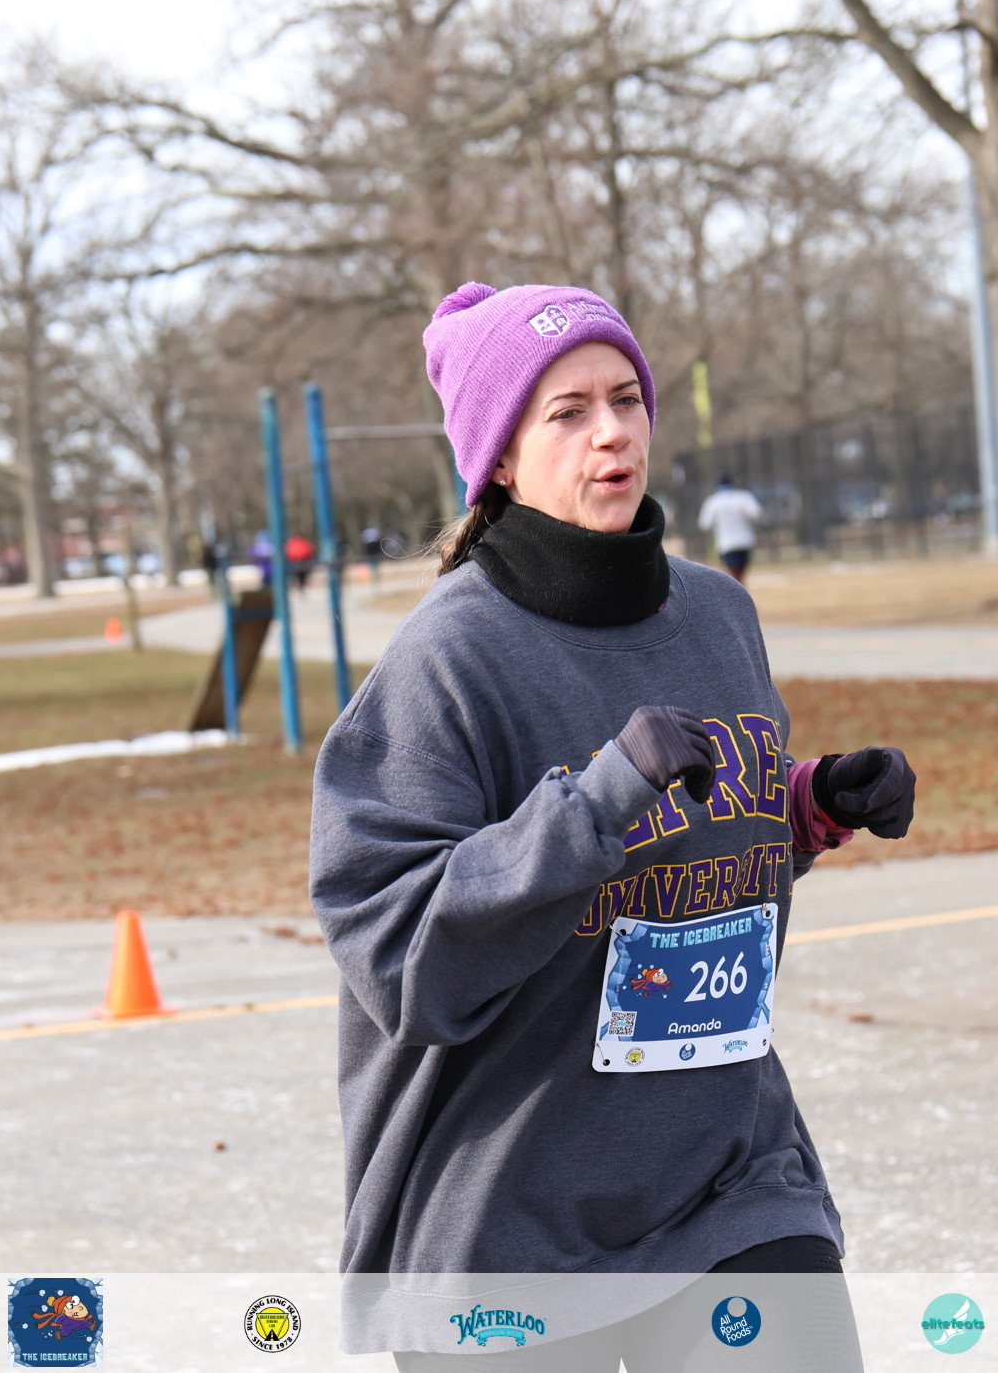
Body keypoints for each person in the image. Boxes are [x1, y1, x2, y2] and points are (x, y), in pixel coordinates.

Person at [309, 282, 916, 1370]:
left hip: (728, 1176)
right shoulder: (447, 662)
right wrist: (592, 804)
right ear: (500, 458)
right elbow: (402, 961)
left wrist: (805, 807)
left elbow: (687, 858)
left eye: (626, 398)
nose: (611, 432)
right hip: (510, 1217)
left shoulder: (718, 613)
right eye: (568, 411)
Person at [697, 476, 763, 583]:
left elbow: (705, 524)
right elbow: (756, 513)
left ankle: (738, 587)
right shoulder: (743, 497)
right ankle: (739, 587)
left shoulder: (713, 501)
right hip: (745, 540)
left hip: (726, 543)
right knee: (739, 572)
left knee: (734, 572)